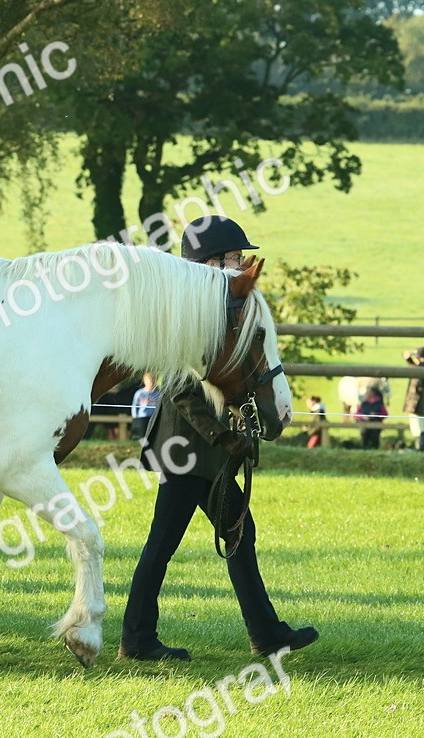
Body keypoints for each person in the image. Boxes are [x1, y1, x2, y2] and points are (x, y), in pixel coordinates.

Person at [120, 215, 317, 662]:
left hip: (210, 451)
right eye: (233, 256)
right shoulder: (183, 309)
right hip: (186, 449)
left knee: (238, 535)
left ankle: (265, 633)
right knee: (163, 544)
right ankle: (136, 639)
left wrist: (238, 427)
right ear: (210, 261)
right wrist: (222, 437)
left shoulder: (220, 308)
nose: (242, 261)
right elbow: (178, 388)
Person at [402, 346, 424, 446]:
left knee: (419, 430)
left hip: (417, 404)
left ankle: (420, 448)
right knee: (418, 429)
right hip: (418, 405)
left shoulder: (422, 369)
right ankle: (419, 447)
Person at [130, 373, 160, 440]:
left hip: (153, 417)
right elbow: (135, 406)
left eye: (153, 381)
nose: (151, 383)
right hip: (142, 418)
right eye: (149, 381)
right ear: (144, 381)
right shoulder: (139, 393)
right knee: (142, 436)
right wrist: (135, 417)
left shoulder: (158, 393)